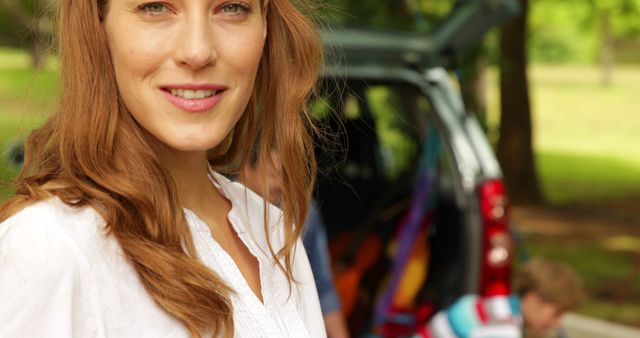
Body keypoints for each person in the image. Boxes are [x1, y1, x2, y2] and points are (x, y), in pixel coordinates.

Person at [0, 0, 326, 337]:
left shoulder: (272, 231)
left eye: (231, 7)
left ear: (265, 25)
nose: (198, 51)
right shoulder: (48, 249)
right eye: (155, 7)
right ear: (98, 25)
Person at [240, 151, 351, 338]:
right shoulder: (216, 211)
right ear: (246, 169)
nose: (281, 187)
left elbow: (323, 288)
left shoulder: (304, 212)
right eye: (274, 176)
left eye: (288, 177)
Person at [415, 258, 584, 338]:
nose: (558, 322)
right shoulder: (502, 329)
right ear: (533, 300)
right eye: (556, 313)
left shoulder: (493, 306)